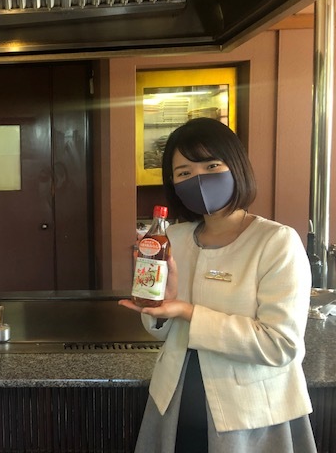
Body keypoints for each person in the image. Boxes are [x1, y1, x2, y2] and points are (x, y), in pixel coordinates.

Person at [120, 117, 316, 452]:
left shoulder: (275, 241)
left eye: (211, 165)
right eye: (184, 172)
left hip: (250, 416)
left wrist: (188, 311)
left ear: (236, 166)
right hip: (173, 404)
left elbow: (280, 345)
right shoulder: (173, 238)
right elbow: (162, 332)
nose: (198, 179)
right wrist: (157, 306)